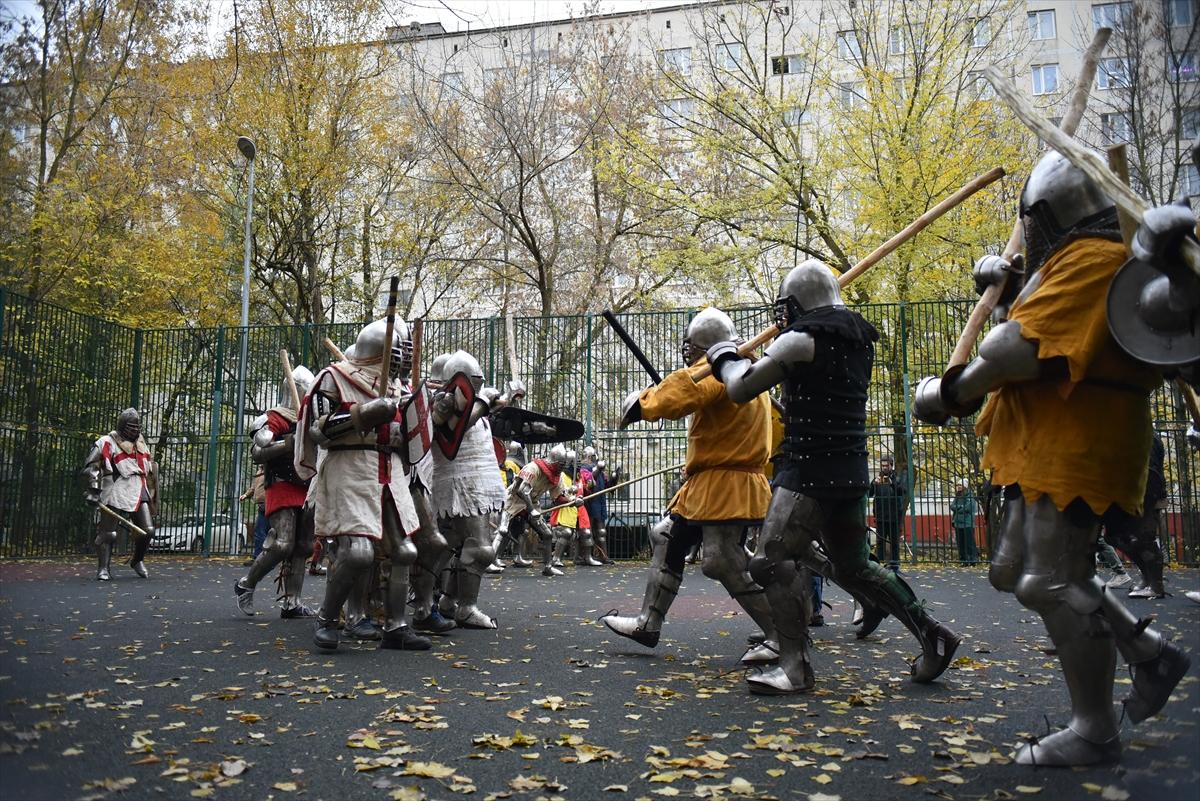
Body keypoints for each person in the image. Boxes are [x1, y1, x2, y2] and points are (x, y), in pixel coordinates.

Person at [912, 150, 1191, 765]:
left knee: (1051, 580)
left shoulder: (1098, 260)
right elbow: (1039, 315)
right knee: (1010, 569)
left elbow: (1017, 348)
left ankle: (1095, 729)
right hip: (1040, 438)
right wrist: (1010, 286)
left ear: (1045, 215)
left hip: (1078, 435)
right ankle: (1150, 653)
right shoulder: (1069, 263)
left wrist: (948, 391)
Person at [708, 262, 960, 694]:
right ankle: (932, 633)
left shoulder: (799, 340)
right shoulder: (857, 339)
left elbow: (740, 388)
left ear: (797, 303)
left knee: (768, 559)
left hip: (810, 469)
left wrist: (724, 356)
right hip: (849, 468)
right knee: (855, 566)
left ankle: (794, 667)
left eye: (784, 308)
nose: (780, 318)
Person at [600, 307, 780, 664]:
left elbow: (682, 392)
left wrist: (643, 402)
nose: (688, 352)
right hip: (713, 481)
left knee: (722, 561)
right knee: (667, 536)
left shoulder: (722, 372)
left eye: (693, 345)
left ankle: (783, 634)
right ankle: (648, 622)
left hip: (726, 484)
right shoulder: (742, 371)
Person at [296, 317, 429, 652]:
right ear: (380, 352)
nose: (400, 358)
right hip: (350, 467)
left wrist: (400, 433)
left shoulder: (399, 388)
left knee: (404, 550)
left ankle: (396, 626)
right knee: (358, 553)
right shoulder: (334, 378)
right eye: (396, 352)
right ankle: (327, 621)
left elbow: (409, 437)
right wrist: (363, 414)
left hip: (389, 468)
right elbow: (317, 430)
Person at [422, 350, 522, 630]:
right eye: (472, 381)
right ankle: (463, 607)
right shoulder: (441, 400)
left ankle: (443, 602)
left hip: (471, 482)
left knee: (450, 544)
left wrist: (505, 403)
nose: (477, 385)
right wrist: (482, 402)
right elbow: (458, 428)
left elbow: (481, 420)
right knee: (479, 549)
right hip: (461, 483)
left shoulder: (466, 400)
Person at [234, 365, 319, 618]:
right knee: (283, 543)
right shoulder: (275, 417)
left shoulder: (312, 418)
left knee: (304, 546)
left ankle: (292, 602)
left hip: (307, 485)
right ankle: (245, 584)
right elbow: (258, 453)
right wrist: (287, 444)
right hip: (282, 483)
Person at [80, 408, 158, 581]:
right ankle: (103, 568)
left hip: (138, 487)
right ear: (123, 426)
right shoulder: (107, 441)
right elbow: (92, 466)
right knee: (108, 532)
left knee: (148, 530)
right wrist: (93, 490)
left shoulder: (141, 444)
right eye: (132, 426)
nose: (135, 430)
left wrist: (152, 493)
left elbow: (149, 469)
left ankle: (137, 560)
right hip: (115, 487)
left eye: (137, 427)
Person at [501, 444, 575, 577]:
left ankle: (548, 567)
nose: (562, 468)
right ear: (554, 461)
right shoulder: (533, 468)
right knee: (503, 532)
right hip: (514, 501)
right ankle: (490, 561)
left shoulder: (556, 476)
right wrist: (532, 510)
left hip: (532, 503)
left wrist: (572, 502)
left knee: (546, 534)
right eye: (560, 464)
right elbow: (521, 491)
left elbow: (558, 498)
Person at [868, 456, 907, 571]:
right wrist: (873, 484)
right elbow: (869, 494)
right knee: (880, 541)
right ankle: (880, 565)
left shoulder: (897, 478)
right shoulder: (877, 478)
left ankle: (895, 566)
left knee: (894, 541)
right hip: (880, 515)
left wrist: (891, 483)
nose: (884, 468)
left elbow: (902, 492)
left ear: (891, 465)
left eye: (886, 465)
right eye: (883, 465)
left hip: (894, 515)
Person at [579, 446, 613, 564]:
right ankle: (582, 556)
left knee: (601, 531)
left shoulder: (601, 472)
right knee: (586, 531)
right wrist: (598, 469)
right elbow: (589, 482)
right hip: (589, 503)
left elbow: (608, 486)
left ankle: (603, 556)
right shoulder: (583, 469)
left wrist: (614, 478)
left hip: (600, 502)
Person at [950, 484, 979, 566]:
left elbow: (968, 508)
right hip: (958, 523)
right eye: (958, 485)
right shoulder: (957, 496)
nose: (958, 487)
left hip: (967, 523)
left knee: (969, 543)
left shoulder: (970, 496)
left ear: (965, 486)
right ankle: (964, 560)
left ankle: (973, 560)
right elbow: (952, 506)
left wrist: (957, 508)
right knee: (960, 543)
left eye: (960, 485)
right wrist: (960, 507)